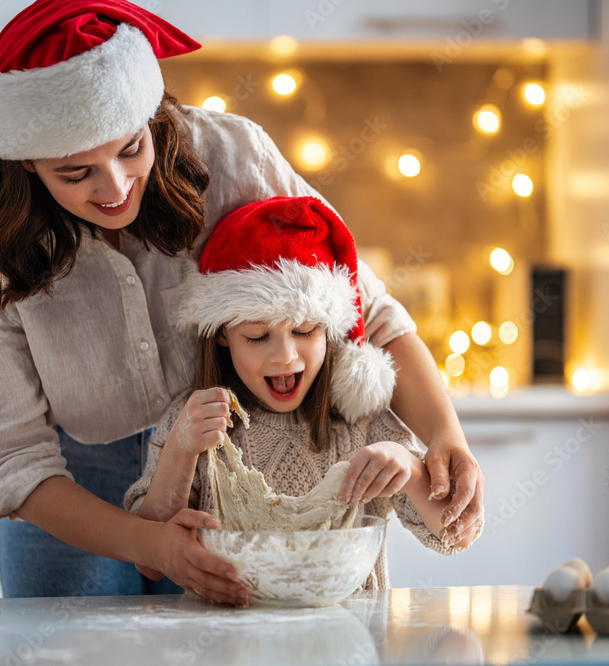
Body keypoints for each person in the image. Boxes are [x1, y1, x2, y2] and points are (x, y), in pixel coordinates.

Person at [0, 0, 483, 604]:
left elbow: (369, 309)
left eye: (131, 149)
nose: (116, 187)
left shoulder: (230, 156)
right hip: (75, 487)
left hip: (234, 464)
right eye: (75, 174)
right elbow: (18, 460)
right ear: (26, 165)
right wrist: (149, 544)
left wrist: (445, 435)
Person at [125, 196, 482, 594]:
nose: (284, 356)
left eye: (304, 331)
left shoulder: (362, 421)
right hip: (230, 647)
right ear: (223, 334)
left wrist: (412, 471)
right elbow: (149, 562)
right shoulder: (192, 421)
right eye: (257, 336)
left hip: (347, 644)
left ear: (329, 330)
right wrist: (180, 448)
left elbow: (456, 536)